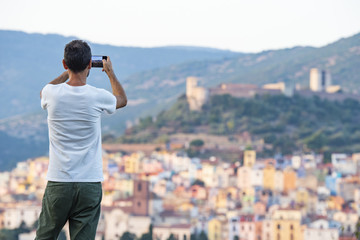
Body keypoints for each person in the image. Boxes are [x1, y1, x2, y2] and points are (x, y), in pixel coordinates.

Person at [36, 40, 127, 240]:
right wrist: (110, 72)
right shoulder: (98, 96)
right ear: (89, 65)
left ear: (64, 64)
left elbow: (44, 91)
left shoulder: (51, 94)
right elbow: (122, 99)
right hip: (89, 183)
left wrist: (68, 71)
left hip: (59, 181)